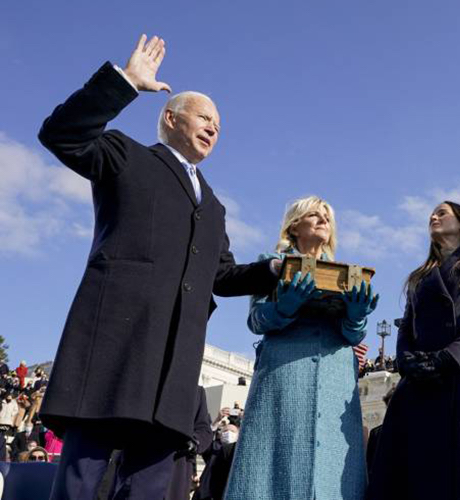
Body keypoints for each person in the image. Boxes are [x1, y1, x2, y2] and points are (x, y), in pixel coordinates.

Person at [37, 35, 281, 500]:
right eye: (205, 117)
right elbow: (62, 133)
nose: (214, 128)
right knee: (81, 483)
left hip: (173, 370)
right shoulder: (126, 156)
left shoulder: (214, 206)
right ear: (171, 117)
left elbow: (222, 277)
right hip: (114, 352)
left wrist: (272, 268)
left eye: (219, 125)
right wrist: (124, 82)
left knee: (149, 489)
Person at [226, 196, 376, 500]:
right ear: (294, 226)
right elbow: (256, 320)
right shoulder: (271, 263)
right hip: (285, 373)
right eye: (314, 214)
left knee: (333, 469)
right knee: (273, 463)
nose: (323, 220)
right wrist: (285, 307)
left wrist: (357, 316)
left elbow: (353, 335)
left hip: (336, 380)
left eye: (327, 217)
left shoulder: (345, 273)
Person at [367, 201, 460, 500]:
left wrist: (450, 357)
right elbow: (406, 325)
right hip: (419, 380)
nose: (433, 216)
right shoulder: (420, 275)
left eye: (442, 212)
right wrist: (405, 360)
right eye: (432, 213)